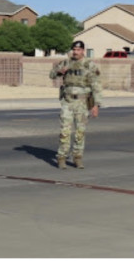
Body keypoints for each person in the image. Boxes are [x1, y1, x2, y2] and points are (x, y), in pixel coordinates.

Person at [49, 40, 102, 170]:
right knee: (65, 131)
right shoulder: (66, 62)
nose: (75, 52)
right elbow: (51, 74)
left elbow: (96, 85)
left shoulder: (90, 65)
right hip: (67, 101)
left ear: (83, 51)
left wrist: (96, 105)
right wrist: (60, 71)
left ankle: (77, 157)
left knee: (80, 132)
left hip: (82, 102)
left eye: (78, 50)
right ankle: (62, 157)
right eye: (74, 49)